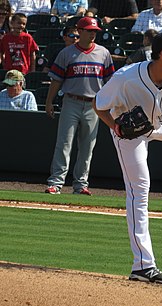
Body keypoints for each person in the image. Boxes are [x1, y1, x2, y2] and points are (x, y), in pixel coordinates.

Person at [93, 31, 162, 284]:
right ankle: (143, 266)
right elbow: (99, 105)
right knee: (139, 189)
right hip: (130, 134)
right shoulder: (126, 78)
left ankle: (143, 266)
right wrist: (116, 127)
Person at [45, 17, 115, 195]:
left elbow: (110, 82)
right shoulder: (67, 53)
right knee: (64, 143)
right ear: (80, 31)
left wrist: (110, 105)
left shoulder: (103, 53)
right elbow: (56, 80)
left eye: (95, 31)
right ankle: (56, 183)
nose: (93, 34)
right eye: (89, 31)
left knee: (87, 146)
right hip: (71, 101)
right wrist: (49, 101)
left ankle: (81, 184)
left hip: (94, 105)